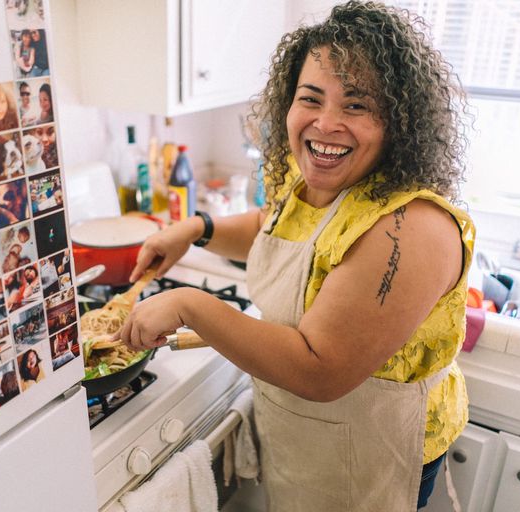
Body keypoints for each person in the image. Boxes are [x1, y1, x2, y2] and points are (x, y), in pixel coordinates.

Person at [120, 3, 474, 511]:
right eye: (311, 98)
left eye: (357, 105)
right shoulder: (309, 178)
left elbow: (319, 370)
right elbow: (280, 230)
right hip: (304, 439)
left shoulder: (413, 228)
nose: (326, 123)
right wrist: (199, 228)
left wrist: (189, 304)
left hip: (376, 454)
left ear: (399, 120)